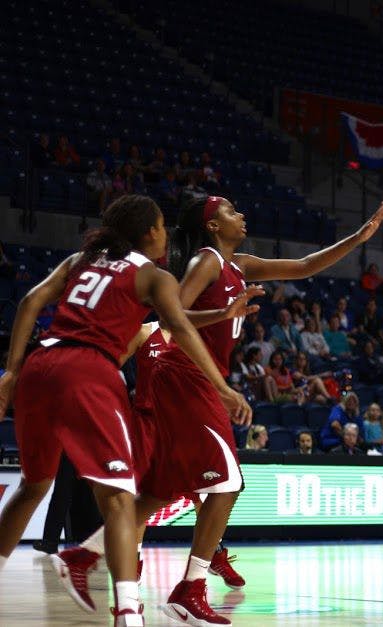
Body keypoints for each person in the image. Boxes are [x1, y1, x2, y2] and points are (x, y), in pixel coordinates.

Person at [84, 195, 382, 624]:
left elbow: (303, 267)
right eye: (229, 211)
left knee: (163, 491)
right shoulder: (206, 261)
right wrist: (223, 317)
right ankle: (191, 586)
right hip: (182, 374)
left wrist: (357, 238)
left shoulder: (238, 264)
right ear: (212, 226)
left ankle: (92, 554)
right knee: (227, 482)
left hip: (195, 377)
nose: (241, 215)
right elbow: (172, 319)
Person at [0, 195, 249, 625]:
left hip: (41, 364)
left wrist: (10, 372)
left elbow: (29, 303)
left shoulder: (81, 259)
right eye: (161, 227)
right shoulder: (154, 275)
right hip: (90, 371)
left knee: (32, 487)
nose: (167, 234)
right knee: (121, 500)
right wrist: (224, 388)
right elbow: (181, 329)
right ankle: (130, 612)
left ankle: (87, 560)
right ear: (151, 233)